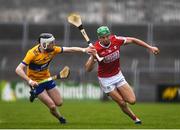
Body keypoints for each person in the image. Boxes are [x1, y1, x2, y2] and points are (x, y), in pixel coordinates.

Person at [85, 26, 160, 124]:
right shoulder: (96, 48)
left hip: (118, 75)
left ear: (109, 35)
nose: (106, 39)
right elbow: (88, 69)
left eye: (107, 36)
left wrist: (150, 47)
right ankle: (135, 118)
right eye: (103, 37)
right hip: (105, 80)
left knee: (132, 100)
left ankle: (115, 94)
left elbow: (133, 40)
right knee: (122, 102)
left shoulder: (115, 40)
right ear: (99, 38)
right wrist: (93, 57)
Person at [15, 33, 95, 124]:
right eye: (51, 43)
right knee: (52, 106)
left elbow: (69, 49)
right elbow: (18, 69)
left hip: (47, 79)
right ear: (44, 44)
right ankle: (61, 118)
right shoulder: (32, 54)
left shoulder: (53, 49)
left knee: (59, 103)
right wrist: (30, 81)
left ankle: (33, 94)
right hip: (36, 83)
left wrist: (84, 50)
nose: (54, 44)